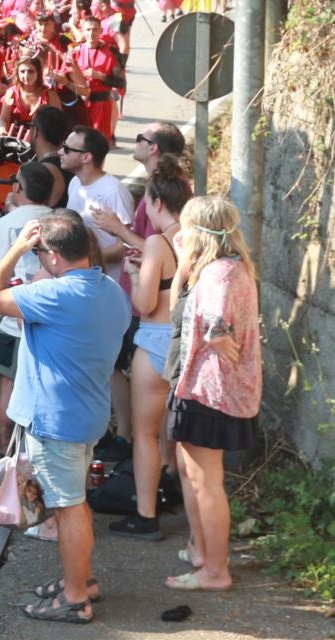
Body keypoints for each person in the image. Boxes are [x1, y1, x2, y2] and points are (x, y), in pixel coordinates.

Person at [0, 216, 130, 624]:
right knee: (75, 502)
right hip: (88, 414)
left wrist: (16, 249)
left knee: (68, 509)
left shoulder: (56, 295)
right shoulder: (110, 292)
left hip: (56, 421)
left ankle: (76, 598)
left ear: (55, 256)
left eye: (41, 252)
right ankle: (82, 579)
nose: (38, 258)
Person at [164, 196, 262, 591]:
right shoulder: (221, 267)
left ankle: (216, 571)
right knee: (193, 473)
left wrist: (218, 336)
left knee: (205, 479)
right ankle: (203, 553)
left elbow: (217, 322)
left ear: (200, 233)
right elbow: (179, 313)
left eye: (186, 227)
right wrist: (184, 261)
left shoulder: (221, 273)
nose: (180, 233)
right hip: (202, 387)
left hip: (212, 392)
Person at [91, 158, 191, 541]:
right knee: (176, 430)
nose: (145, 210)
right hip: (185, 341)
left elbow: (147, 303)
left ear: (158, 203)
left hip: (155, 339)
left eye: (147, 204)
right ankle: (174, 488)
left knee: (146, 434)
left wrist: (135, 275)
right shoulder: (194, 236)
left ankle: (146, 514)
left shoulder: (156, 242)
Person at [0, 163, 56, 451]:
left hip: (11, 321)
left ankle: (4, 450)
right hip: (51, 323)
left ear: (16, 187)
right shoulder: (61, 221)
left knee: (8, 389)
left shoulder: (2, 225)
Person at [62, 128, 129, 284]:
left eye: (67, 149)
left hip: (109, 282)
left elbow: (127, 245)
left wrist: (86, 259)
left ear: (86, 157)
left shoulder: (113, 192)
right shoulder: (75, 182)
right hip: (80, 278)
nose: (60, 152)